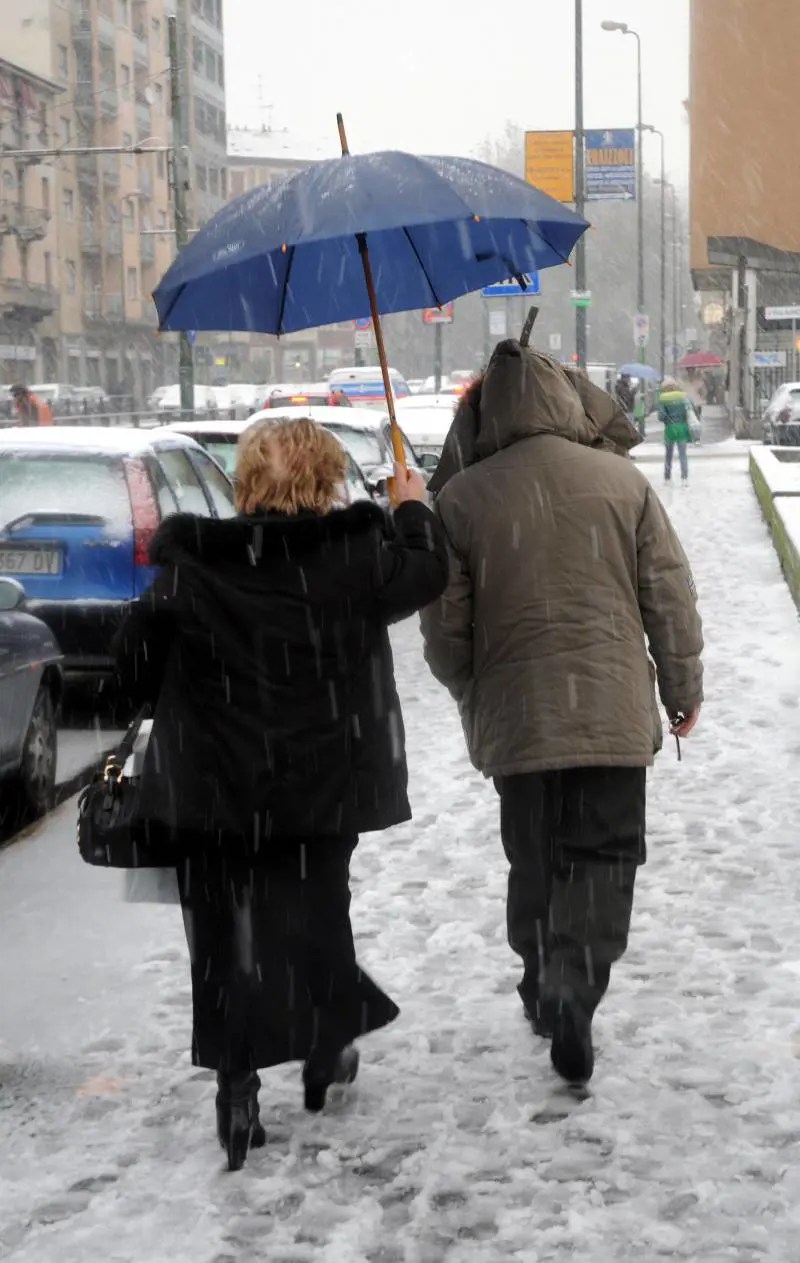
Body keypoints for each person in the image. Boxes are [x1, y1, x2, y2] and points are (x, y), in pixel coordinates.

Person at [113, 418, 448, 1170]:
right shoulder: (355, 553)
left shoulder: (196, 562)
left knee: (222, 938)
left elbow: (131, 662)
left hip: (210, 790)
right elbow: (428, 575)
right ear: (326, 477)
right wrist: (412, 506)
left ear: (245, 481)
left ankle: (237, 1088)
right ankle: (325, 1046)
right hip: (320, 786)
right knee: (316, 914)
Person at [421, 340, 704, 1086]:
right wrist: (682, 687)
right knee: (605, 854)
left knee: (535, 855)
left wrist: (469, 686)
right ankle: (575, 986)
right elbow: (667, 596)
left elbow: (446, 631)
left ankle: (540, 976)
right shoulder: (621, 482)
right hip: (609, 709)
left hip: (517, 720)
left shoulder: (462, 498)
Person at [659, 377, 693, 483]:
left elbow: (661, 416)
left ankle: (667, 477)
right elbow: (688, 411)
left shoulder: (663, 398)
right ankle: (684, 477)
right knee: (682, 454)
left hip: (670, 428)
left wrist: (668, 418)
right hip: (682, 427)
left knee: (668, 454)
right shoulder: (683, 396)